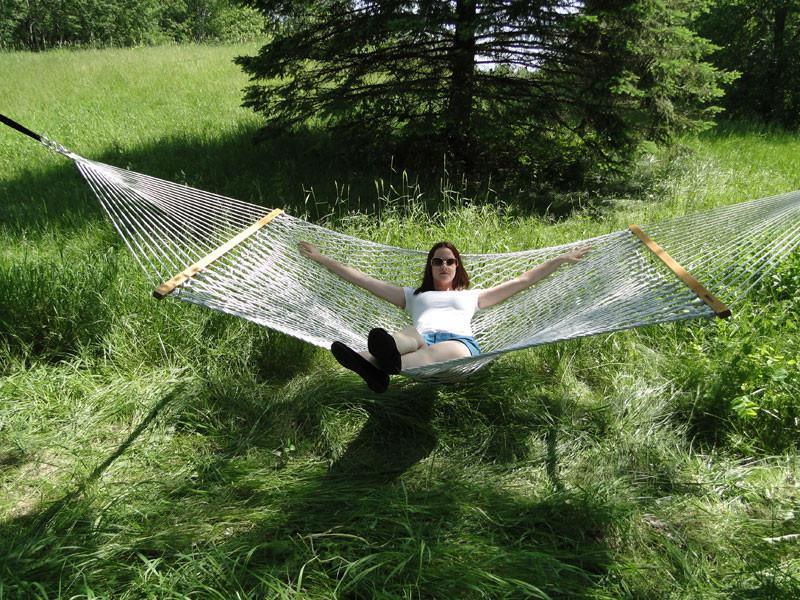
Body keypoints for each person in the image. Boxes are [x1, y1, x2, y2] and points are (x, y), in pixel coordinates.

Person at [298, 240, 591, 392]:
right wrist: (321, 258)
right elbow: (362, 279)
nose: (444, 265)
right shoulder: (412, 295)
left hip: (458, 345)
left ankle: (370, 363)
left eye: (450, 261)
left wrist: (560, 260)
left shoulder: (471, 296)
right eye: (437, 261)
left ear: (457, 267)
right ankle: (375, 359)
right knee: (407, 335)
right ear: (431, 266)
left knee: (431, 347)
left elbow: (523, 281)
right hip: (418, 340)